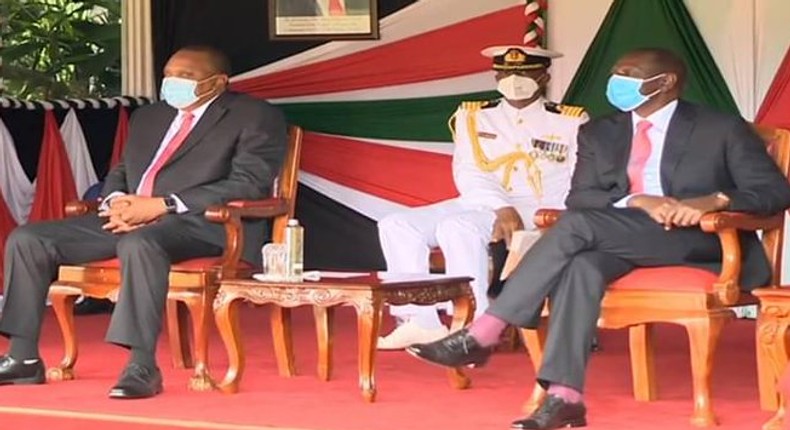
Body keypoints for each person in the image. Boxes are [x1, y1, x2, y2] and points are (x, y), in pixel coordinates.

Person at [407, 47, 790, 429]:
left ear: (666, 81)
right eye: (616, 73)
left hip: (699, 239)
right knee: (582, 264)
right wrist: (638, 199)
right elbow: (581, 197)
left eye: (630, 74)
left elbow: (773, 192)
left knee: (575, 228)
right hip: (623, 234)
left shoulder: (720, 127)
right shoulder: (600, 131)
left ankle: (485, 331)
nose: (617, 81)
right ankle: (565, 397)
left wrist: (713, 200)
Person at [0, 46, 287, 399]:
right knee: (29, 238)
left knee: (140, 242)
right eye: (169, 75)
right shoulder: (149, 116)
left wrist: (161, 206)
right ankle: (23, 357)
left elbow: (248, 182)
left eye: (187, 77)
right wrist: (116, 202)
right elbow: (122, 170)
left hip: (204, 225)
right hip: (130, 218)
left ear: (218, 82)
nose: (173, 83)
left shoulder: (254, 115)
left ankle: (141, 366)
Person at [376, 46, 587, 350]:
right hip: (483, 201)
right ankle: (419, 321)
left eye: (524, 73)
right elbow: (469, 170)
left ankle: (477, 328)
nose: (514, 79)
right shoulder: (473, 115)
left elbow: (576, 178)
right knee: (396, 224)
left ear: (543, 77)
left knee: (458, 227)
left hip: (538, 207)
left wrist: (555, 218)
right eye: (506, 73)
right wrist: (500, 206)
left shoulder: (568, 120)